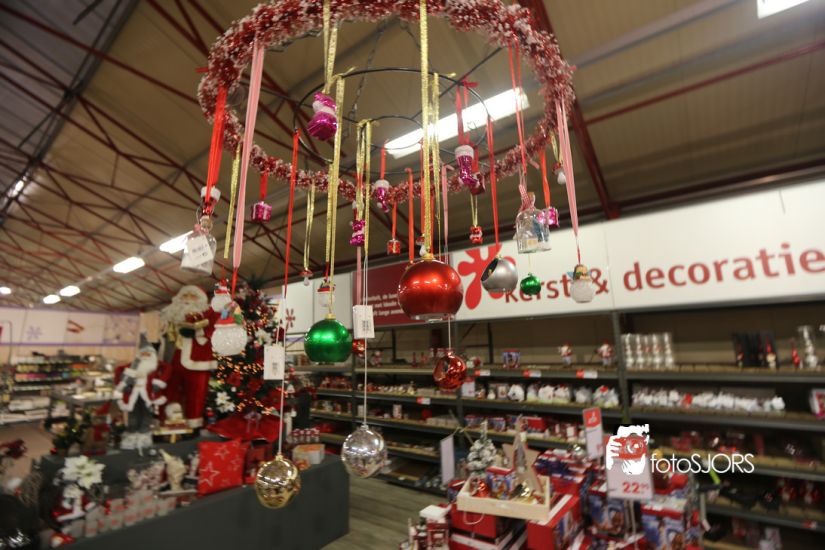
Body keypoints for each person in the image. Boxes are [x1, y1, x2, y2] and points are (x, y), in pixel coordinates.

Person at [113, 334, 169, 449]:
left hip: (148, 395)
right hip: (132, 395)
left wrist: (159, 382)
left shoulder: (155, 366)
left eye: (148, 353)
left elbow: (168, 368)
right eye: (143, 353)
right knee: (133, 415)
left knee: (146, 415)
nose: (146, 356)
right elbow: (119, 370)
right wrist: (123, 385)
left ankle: (144, 436)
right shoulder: (133, 365)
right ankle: (131, 435)